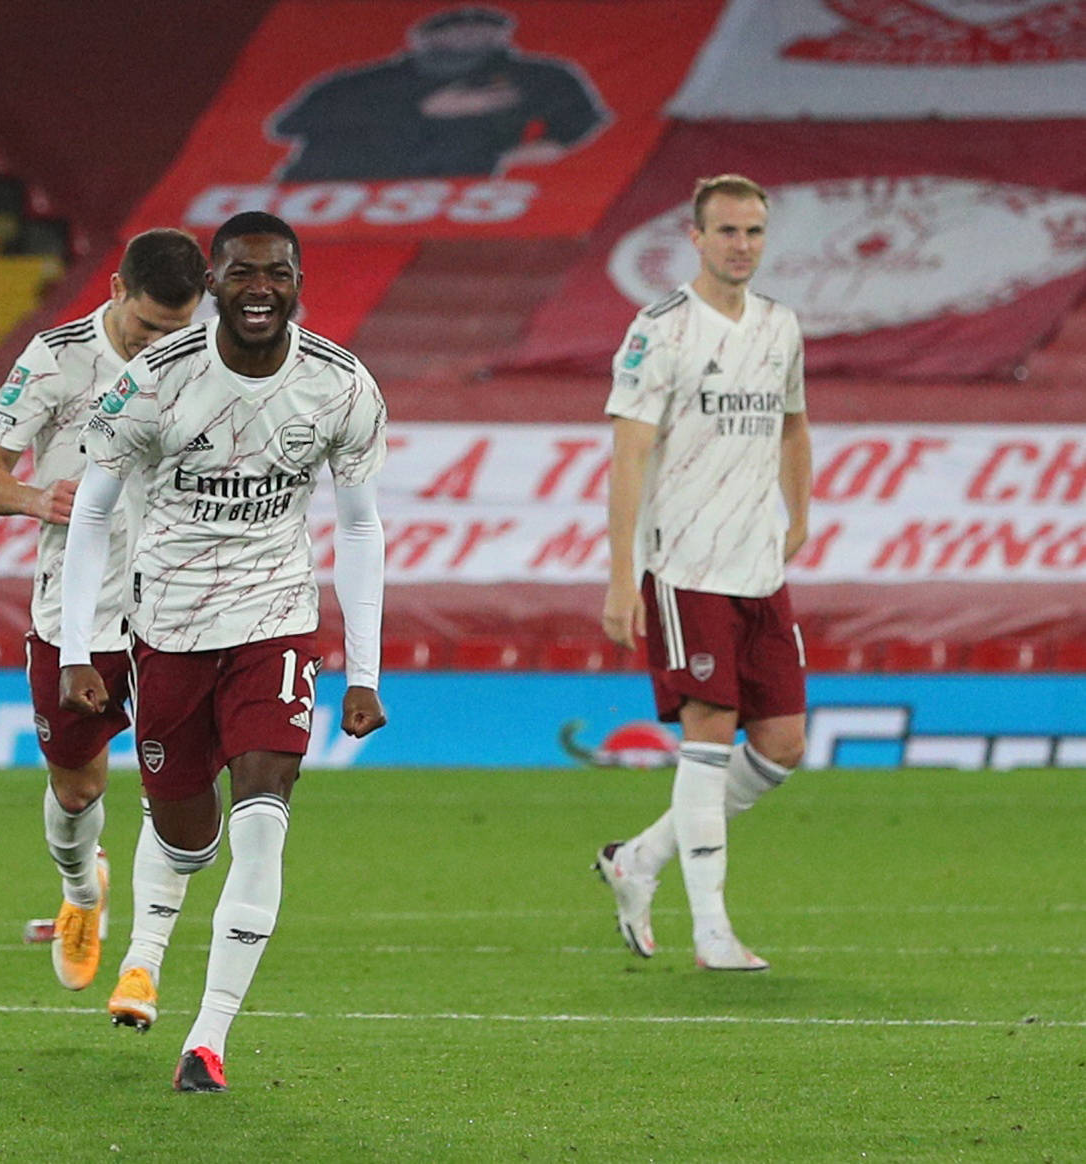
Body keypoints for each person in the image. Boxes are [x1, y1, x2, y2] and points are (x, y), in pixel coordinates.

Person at [59, 211, 389, 1092]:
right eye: (242, 272)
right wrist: (77, 645)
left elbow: (361, 528)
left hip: (276, 618)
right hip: (167, 627)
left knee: (263, 817)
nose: (260, 289)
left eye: (277, 274)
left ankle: (208, 1038)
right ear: (213, 283)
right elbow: (91, 513)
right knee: (185, 832)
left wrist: (363, 671)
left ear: (299, 285)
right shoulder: (155, 381)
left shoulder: (341, 386)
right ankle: (146, 949)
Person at [0, 229, 208, 1006]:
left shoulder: (208, 361)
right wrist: (38, 498)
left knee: (176, 783)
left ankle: (146, 959)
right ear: (115, 291)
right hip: (77, 607)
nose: (159, 345)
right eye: (147, 327)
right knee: (77, 789)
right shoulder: (55, 359)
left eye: (177, 329)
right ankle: (80, 890)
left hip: (177, 604)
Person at [593, 174, 812, 972]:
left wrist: (799, 513)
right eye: (727, 231)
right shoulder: (660, 331)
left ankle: (638, 859)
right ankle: (712, 930)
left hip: (759, 564)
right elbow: (628, 455)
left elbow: (793, 426)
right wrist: (623, 576)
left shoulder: (780, 326)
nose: (742, 245)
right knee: (710, 733)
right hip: (686, 562)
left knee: (783, 744)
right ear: (695, 238)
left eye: (753, 231)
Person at [269, 5, 605, 181]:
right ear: (423, 37)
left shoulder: (535, 75)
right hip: (332, 187)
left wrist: (554, 143)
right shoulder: (363, 81)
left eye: (483, 29)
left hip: (451, 190)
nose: (469, 36)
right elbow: (289, 125)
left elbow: (581, 115)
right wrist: (419, 110)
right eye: (454, 29)